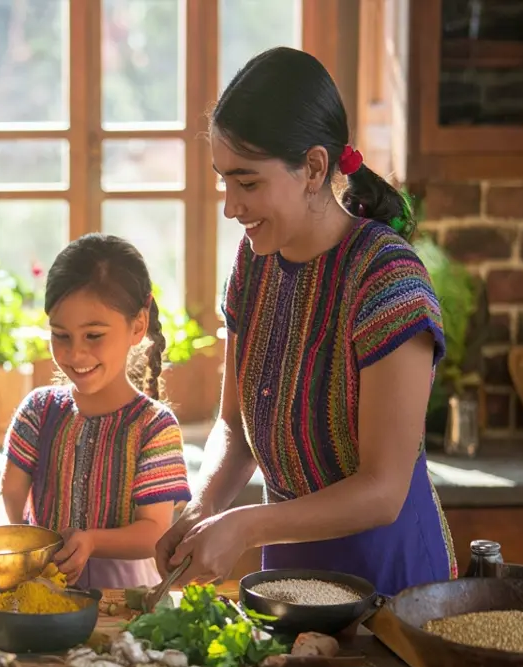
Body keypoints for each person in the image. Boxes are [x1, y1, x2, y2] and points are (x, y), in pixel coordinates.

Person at [155, 47, 454, 597]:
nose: (229, 206)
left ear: (314, 168)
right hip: (289, 581)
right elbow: (235, 428)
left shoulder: (387, 279)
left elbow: (383, 490)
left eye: (247, 183)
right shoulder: (253, 265)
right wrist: (204, 507)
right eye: (224, 181)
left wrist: (245, 524)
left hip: (391, 582)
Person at [0, 234, 192, 589]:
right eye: (61, 336)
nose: (75, 355)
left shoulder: (155, 427)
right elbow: (9, 495)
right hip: (39, 591)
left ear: (138, 326)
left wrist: (92, 541)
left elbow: (155, 531)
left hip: (125, 601)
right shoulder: (37, 412)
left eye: (94, 336)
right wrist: (8, 549)